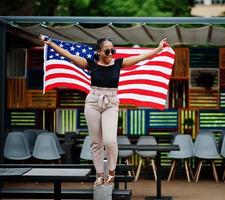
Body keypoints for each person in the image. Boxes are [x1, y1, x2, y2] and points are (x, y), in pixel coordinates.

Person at [39, 35, 167, 186]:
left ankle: (111, 171)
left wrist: (158, 49)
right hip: (93, 101)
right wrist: (51, 43)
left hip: (111, 102)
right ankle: (99, 174)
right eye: (107, 51)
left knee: (110, 141)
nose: (111, 54)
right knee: (96, 142)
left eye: (112, 50)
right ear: (99, 52)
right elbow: (68, 55)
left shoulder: (118, 63)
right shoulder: (91, 64)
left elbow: (140, 57)